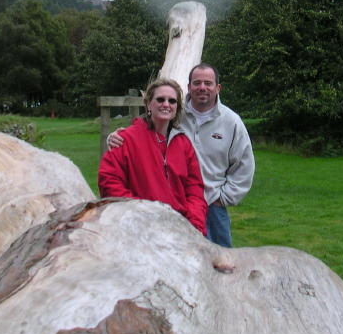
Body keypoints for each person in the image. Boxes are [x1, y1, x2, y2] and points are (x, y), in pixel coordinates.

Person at [108, 64, 254, 247]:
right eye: (197, 82)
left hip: (212, 206)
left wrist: (223, 198)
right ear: (189, 86)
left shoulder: (231, 122)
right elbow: (144, 135)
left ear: (218, 88)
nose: (202, 87)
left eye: (208, 83)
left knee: (219, 267)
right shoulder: (175, 113)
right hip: (174, 206)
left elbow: (244, 166)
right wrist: (115, 138)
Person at [98, 77, 207, 235]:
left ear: (177, 107)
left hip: (181, 229)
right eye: (160, 99)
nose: (166, 104)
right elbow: (109, 182)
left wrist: (194, 227)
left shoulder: (183, 144)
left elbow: (195, 189)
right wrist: (141, 213)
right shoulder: (125, 139)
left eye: (172, 101)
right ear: (149, 104)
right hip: (140, 230)